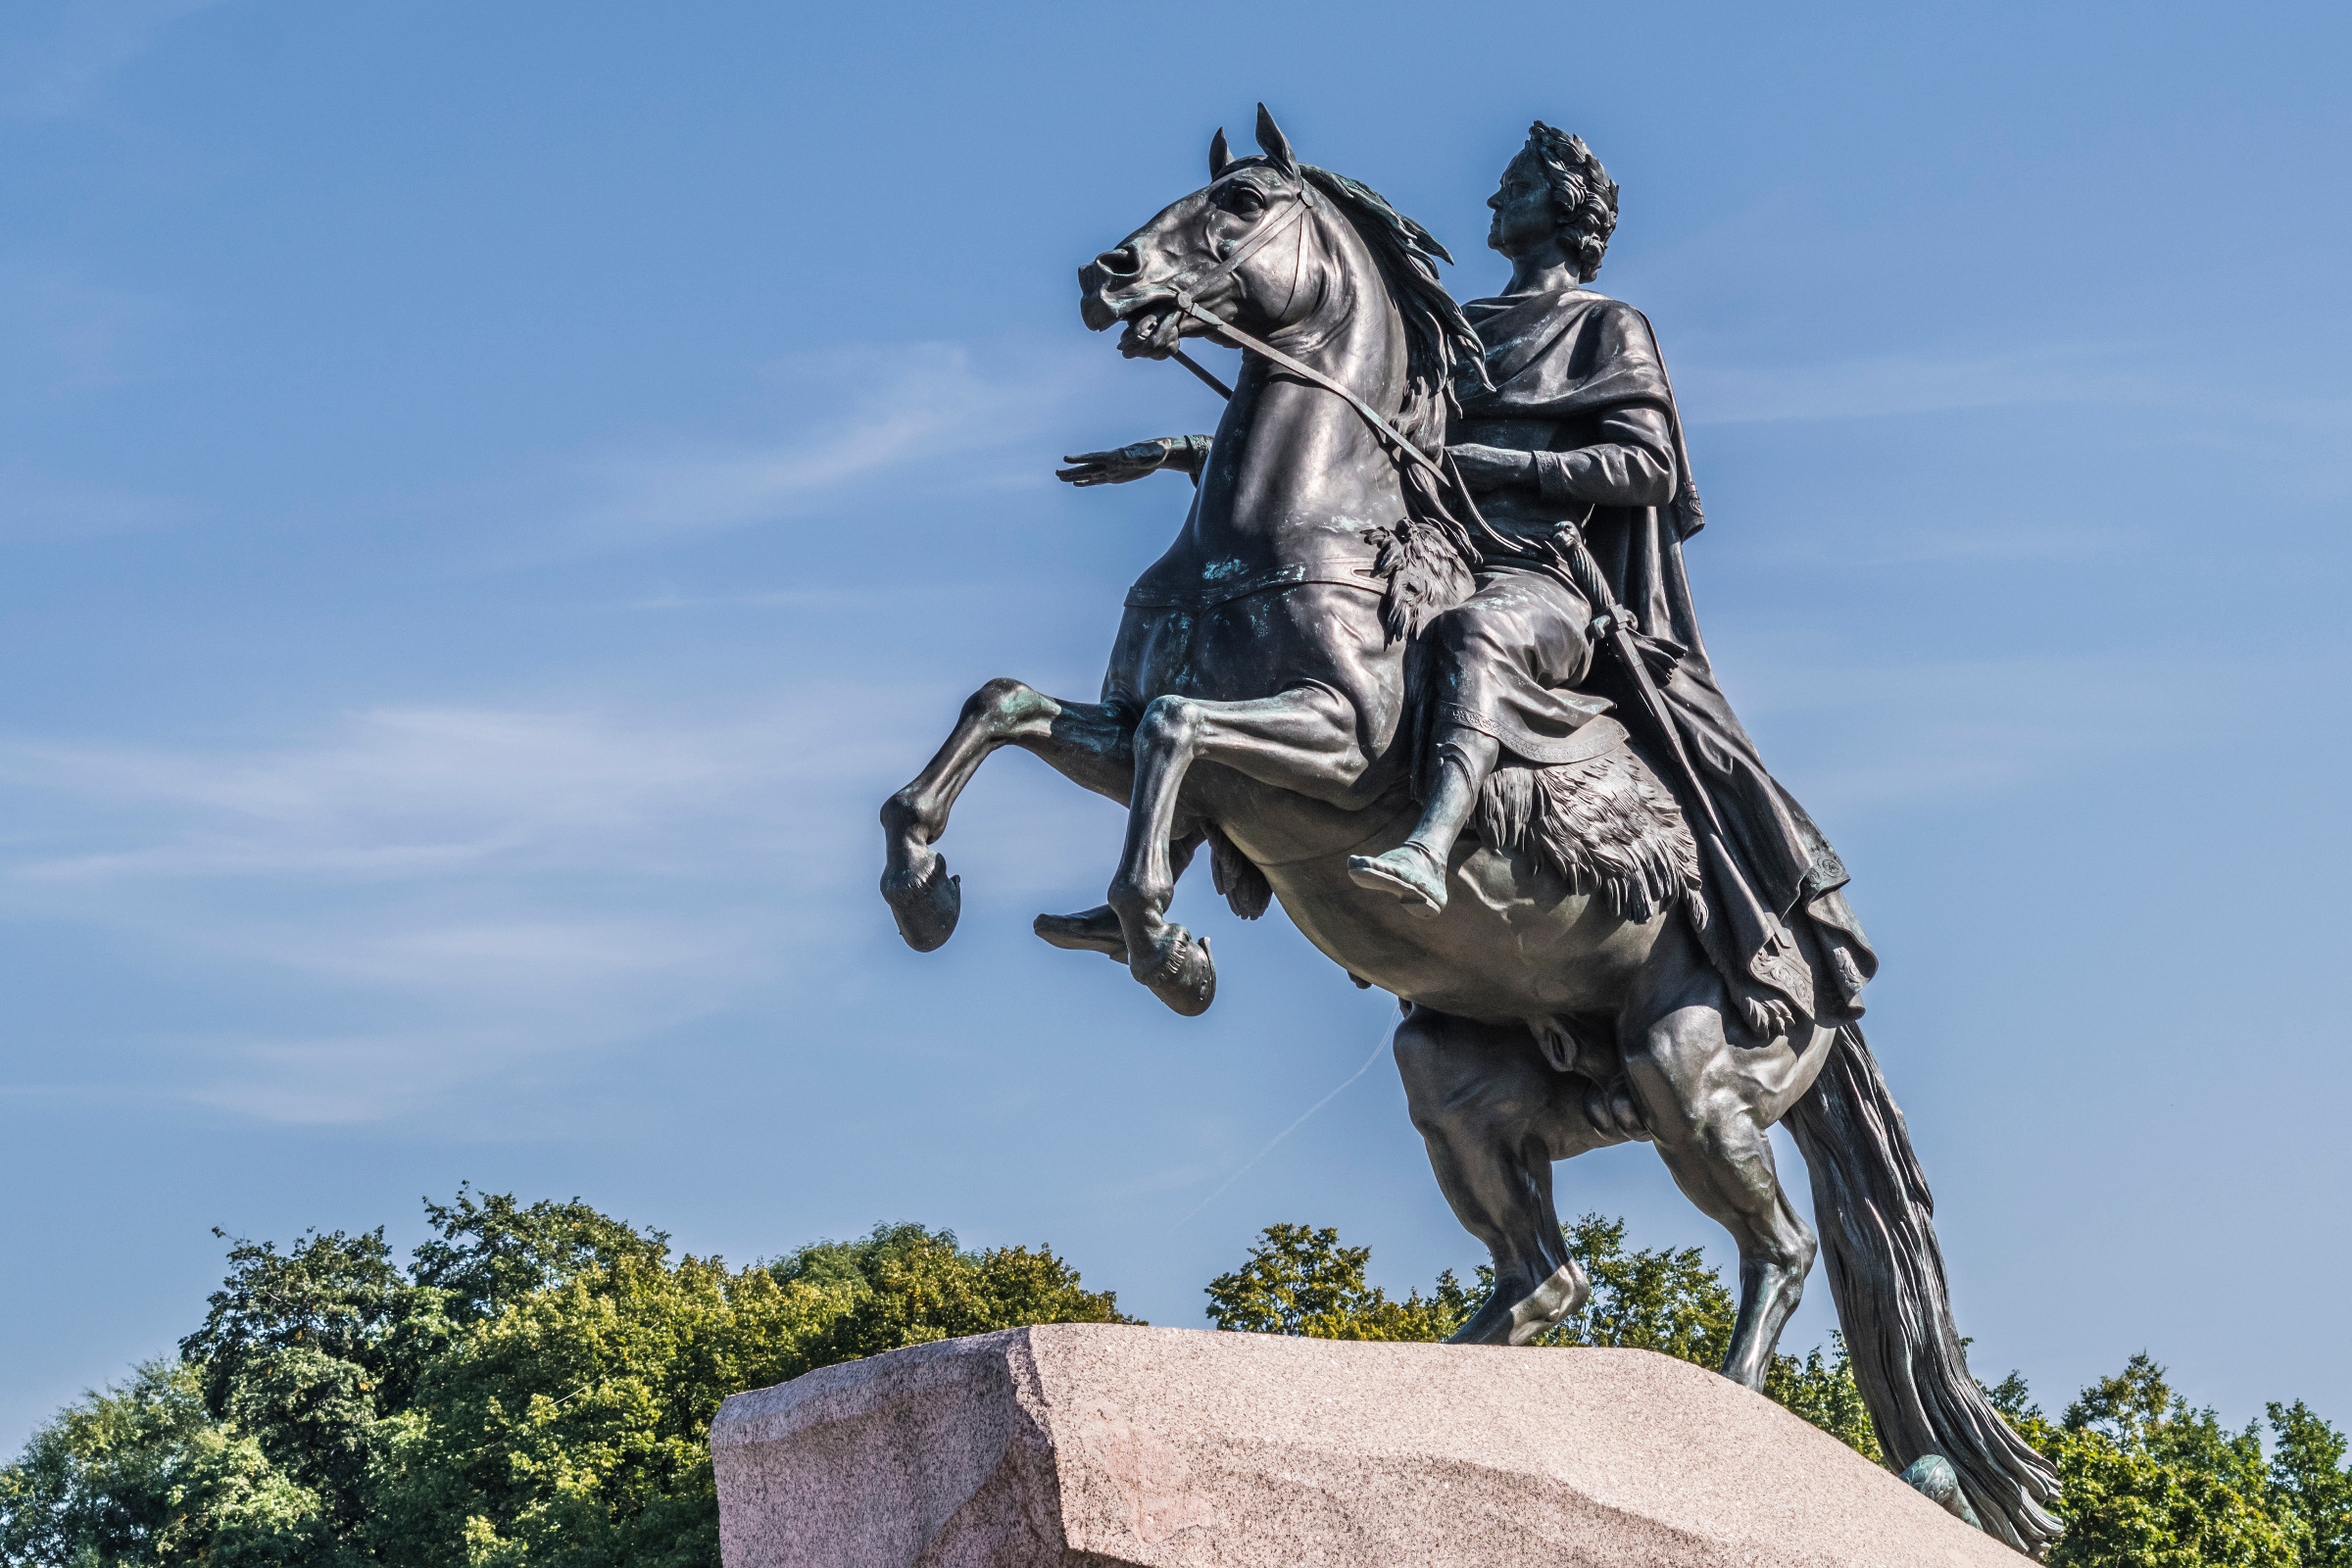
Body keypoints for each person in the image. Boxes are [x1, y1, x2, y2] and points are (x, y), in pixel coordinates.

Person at [1061, 123, 1876, 1033]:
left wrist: (1509, 468)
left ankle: (1432, 835)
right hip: (1433, 547)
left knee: (1472, 631)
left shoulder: (1606, 326)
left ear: (1566, 209)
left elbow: (1647, 468)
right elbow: (1361, 453)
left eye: (1515, 184)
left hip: (1542, 575)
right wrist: (1186, 453)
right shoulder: (1460, 330)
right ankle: (1174, 844)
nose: (1493, 200)